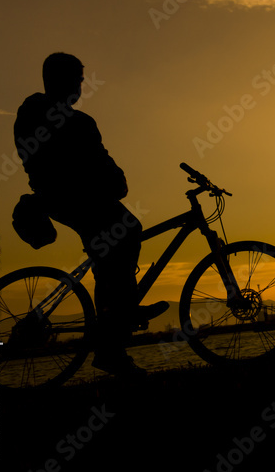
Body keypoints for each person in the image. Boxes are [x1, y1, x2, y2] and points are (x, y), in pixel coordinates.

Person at [13, 52, 167, 377]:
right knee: (127, 229)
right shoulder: (70, 120)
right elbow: (99, 167)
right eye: (78, 79)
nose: (81, 86)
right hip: (74, 199)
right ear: (61, 79)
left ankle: (116, 324)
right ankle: (117, 331)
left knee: (111, 255)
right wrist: (111, 181)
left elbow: (93, 164)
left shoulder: (37, 112)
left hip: (61, 198)